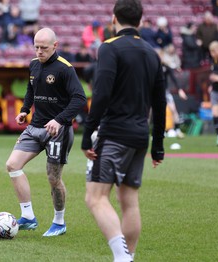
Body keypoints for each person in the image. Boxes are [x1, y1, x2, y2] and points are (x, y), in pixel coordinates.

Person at [81, 0, 166, 261]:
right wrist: (158, 145)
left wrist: (88, 132)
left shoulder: (109, 48)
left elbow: (102, 93)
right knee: (129, 201)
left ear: (114, 18)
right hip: (140, 136)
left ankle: (122, 257)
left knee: (95, 198)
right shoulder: (152, 53)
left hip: (115, 133)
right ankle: (130, 256)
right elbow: (160, 102)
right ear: (140, 21)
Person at [5, 28, 86, 237]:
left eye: (44, 48)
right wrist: (24, 110)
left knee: (53, 178)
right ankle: (28, 217)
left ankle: (59, 222)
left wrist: (59, 120)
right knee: (12, 165)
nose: (39, 51)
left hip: (58, 131)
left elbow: (79, 99)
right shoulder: (34, 65)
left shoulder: (65, 69)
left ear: (55, 46)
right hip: (35, 128)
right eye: (36, 47)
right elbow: (31, 89)